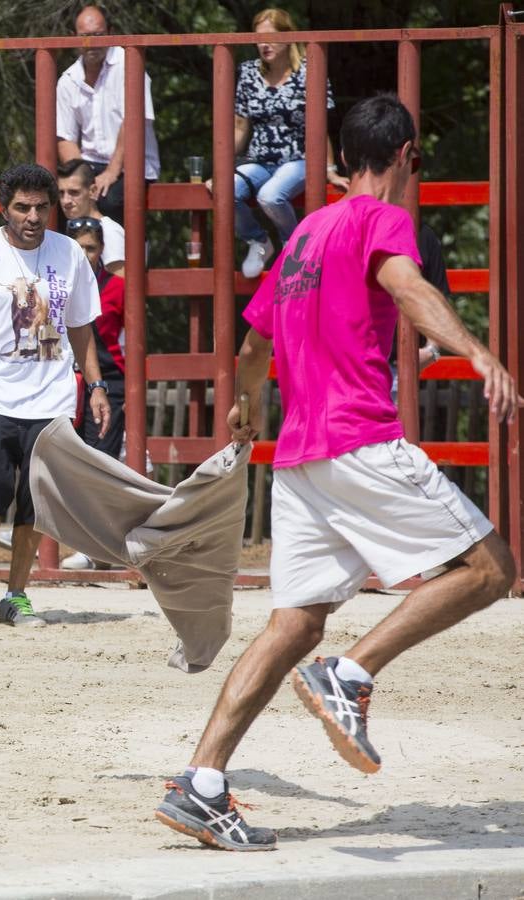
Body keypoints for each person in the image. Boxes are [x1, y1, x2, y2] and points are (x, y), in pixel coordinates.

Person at [155, 94, 521, 852]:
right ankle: (350, 675)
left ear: (341, 157)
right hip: (357, 441)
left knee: (294, 621)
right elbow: (406, 286)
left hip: (298, 460)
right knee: (490, 568)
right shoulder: (378, 218)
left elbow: (254, 345)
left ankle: (203, 783)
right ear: (404, 156)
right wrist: (476, 351)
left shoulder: (302, 236)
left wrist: (243, 407)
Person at [0, 163, 110, 627]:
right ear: (3, 208)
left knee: (35, 495)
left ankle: (17, 593)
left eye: (41, 207)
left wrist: (96, 386)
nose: (32, 216)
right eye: (22, 207)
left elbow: (81, 326)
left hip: (51, 396)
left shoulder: (69, 253)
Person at [223, 8, 350, 279]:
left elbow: (319, 128)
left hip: (298, 158)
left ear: (288, 36)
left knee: (270, 195)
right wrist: (220, 168)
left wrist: (329, 170)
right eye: (258, 39)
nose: (263, 44)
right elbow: (240, 126)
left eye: (269, 37)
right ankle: (258, 241)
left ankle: (296, 248)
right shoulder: (247, 72)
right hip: (258, 159)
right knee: (225, 189)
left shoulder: (309, 71)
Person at [57, 217, 125, 571]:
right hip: (61, 381)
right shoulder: (54, 285)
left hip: (108, 382)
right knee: (65, 463)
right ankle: (81, 543)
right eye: (78, 247)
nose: (85, 255)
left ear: (102, 251)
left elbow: (133, 342)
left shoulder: (118, 287)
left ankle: (97, 547)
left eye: (92, 248)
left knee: (101, 461)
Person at [55, 5, 160, 226]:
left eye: (98, 35)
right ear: (73, 37)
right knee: (56, 203)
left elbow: (133, 123)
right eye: (85, 36)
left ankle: (130, 259)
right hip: (89, 166)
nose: (91, 43)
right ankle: (70, 259)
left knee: (109, 200)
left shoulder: (129, 65)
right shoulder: (68, 79)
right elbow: (65, 138)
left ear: (110, 32)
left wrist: (112, 171)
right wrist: (80, 178)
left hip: (132, 165)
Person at [56, 159, 125, 276]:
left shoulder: (110, 232)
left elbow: (118, 288)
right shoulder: (66, 232)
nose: (65, 201)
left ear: (92, 191)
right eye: (61, 193)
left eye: (74, 192)